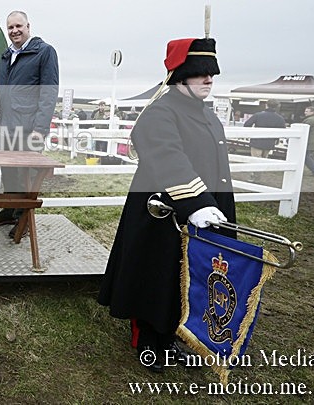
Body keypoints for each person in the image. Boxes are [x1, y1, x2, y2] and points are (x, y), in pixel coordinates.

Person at [98, 37, 235, 374]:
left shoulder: (208, 116)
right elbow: (167, 158)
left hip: (201, 214)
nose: (208, 79)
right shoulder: (160, 112)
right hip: (160, 214)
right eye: (200, 72)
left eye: (211, 73)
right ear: (180, 76)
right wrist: (198, 203)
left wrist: (218, 209)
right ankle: (149, 342)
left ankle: (172, 336)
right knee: (156, 277)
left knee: (186, 278)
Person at [0, 11, 59, 235]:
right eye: (10, 28)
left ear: (28, 26)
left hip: (28, 129)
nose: (15, 31)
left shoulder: (44, 52)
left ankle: (22, 219)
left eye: (19, 26)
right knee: (9, 172)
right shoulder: (7, 55)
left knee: (27, 176)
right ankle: (9, 211)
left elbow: (49, 93)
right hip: (6, 126)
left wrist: (40, 129)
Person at [242, 99, 286, 182]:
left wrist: (251, 133)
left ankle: (254, 176)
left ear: (266, 105)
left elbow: (247, 124)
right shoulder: (280, 118)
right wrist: (276, 139)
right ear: (277, 107)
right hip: (269, 142)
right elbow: (282, 131)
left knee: (255, 159)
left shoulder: (258, 115)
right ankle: (258, 176)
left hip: (257, 140)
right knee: (263, 159)